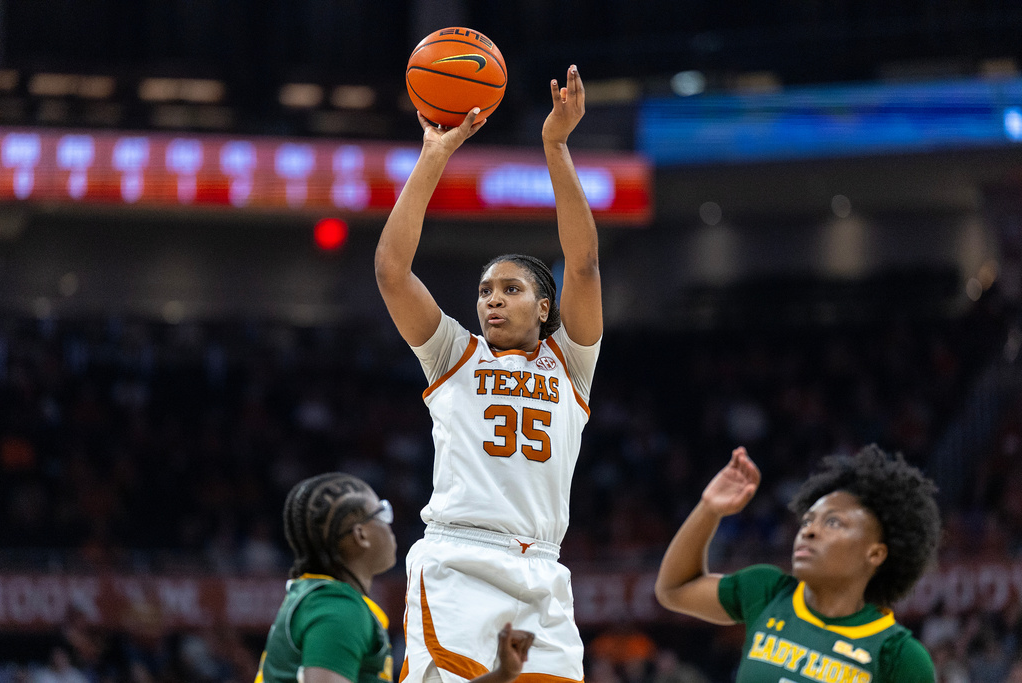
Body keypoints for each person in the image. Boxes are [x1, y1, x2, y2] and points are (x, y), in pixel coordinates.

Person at [375, 64, 601, 683]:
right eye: (483, 291)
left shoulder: (570, 364)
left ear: (545, 306)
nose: (491, 300)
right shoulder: (455, 355)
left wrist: (556, 146)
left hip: (544, 571)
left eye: (510, 288)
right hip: (460, 561)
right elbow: (393, 271)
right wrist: (432, 155)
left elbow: (582, 265)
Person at [655, 445, 942, 683]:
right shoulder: (767, 591)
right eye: (807, 520)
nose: (809, 531)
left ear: (875, 553)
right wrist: (709, 509)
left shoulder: (899, 657)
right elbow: (675, 588)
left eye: (833, 522)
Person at [256, 472, 535, 683]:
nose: (390, 526)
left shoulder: (323, 599)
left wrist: (502, 675)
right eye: (382, 513)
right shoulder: (338, 610)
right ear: (361, 536)